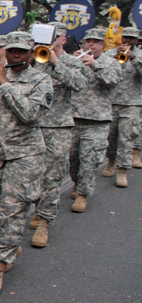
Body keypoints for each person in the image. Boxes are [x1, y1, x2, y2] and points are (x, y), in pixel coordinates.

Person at [0, 32, 53, 298]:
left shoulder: (41, 79)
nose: (16, 55)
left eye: (22, 51)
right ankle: (7, 243)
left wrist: (4, 83)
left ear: (31, 54)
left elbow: (30, 115)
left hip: (25, 153)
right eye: (12, 51)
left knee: (13, 208)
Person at [27, 22, 86, 248]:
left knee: (52, 175)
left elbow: (80, 84)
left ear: (64, 38)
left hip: (58, 127)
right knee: (31, 174)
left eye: (56, 36)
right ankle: (36, 208)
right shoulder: (32, 61)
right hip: (33, 125)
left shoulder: (71, 62)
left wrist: (56, 63)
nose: (51, 40)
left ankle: (44, 220)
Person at [69, 27, 121, 212]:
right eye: (88, 41)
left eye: (95, 42)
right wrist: (72, 62)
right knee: (72, 160)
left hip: (97, 120)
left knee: (89, 161)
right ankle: (77, 182)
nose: (91, 44)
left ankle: (83, 194)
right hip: (73, 118)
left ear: (102, 44)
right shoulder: (75, 61)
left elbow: (111, 81)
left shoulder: (111, 63)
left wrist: (94, 64)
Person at [102, 27, 142, 188]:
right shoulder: (111, 52)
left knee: (126, 138)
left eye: (131, 38)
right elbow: (101, 65)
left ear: (136, 40)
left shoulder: (140, 55)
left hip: (132, 103)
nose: (127, 41)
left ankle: (123, 170)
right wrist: (113, 54)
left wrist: (134, 59)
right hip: (112, 102)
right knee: (111, 137)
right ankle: (111, 162)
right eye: (126, 37)